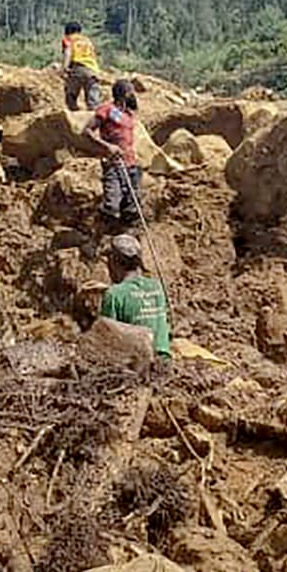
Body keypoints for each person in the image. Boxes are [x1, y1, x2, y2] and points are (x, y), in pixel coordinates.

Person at [100, 234, 171, 358]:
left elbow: (108, 339)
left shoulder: (114, 294)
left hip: (136, 362)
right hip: (162, 358)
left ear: (114, 262)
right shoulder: (157, 287)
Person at [83, 80, 140, 223]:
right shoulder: (106, 109)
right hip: (114, 163)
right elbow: (87, 131)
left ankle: (123, 237)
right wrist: (108, 146)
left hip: (131, 164)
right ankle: (97, 230)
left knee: (132, 209)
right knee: (112, 208)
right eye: (131, 92)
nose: (133, 95)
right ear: (125, 94)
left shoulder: (128, 114)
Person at [61, 22, 102, 111]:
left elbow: (68, 52)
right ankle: (95, 117)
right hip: (93, 70)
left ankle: (74, 115)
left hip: (78, 68)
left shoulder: (68, 39)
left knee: (71, 94)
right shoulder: (87, 41)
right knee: (93, 99)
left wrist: (64, 68)